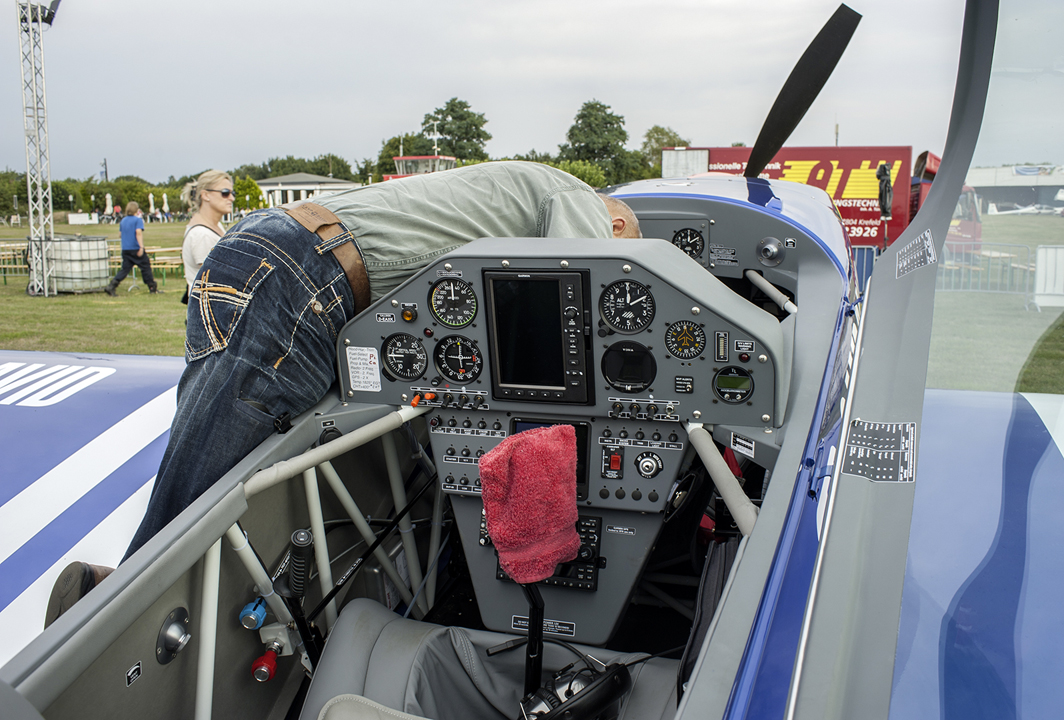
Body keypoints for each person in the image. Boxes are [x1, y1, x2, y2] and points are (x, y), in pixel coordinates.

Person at [47, 162, 639, 623]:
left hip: (278, 254)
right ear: (616, 227)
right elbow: (574, 292)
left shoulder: (516, 189)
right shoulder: (578, 198)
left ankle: (124, 594)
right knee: (213, 462)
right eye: (629, 246)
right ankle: (109, 607)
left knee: (216, 444)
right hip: (303, 271)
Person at [180, 170, 233, 302]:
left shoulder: (215, 226)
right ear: (205, 195)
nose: (231, 198)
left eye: (233, 193)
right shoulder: (202, 234)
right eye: (225, 193)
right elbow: (218, 280)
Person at [104, 201, 159, 296]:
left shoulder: (123, 220)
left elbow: (120, 234)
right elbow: (138, 233)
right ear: (136, 210)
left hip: (126, 249)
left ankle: (112, 285)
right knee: (145, 266)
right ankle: (151, 286)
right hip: (135, 248)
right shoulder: (138, 220)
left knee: (125, 269)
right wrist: (141, 247)